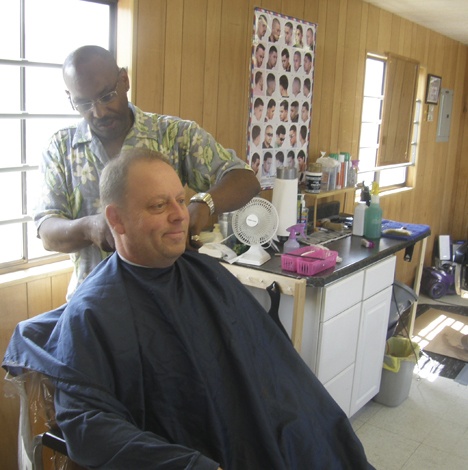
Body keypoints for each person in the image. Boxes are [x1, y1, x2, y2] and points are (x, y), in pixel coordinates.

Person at [4, 149, 373, 469]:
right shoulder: (92, 311)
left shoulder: (207, 274)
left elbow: (269, 364)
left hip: (266, 436)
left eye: (181, 199)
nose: (180, 215)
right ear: (115, 220)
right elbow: (87, 424)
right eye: (159, 206)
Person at [34, 45, 260, 299]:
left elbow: (244, 178)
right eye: (84, 103)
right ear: (70, 98)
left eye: (107, 96)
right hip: (94, 302)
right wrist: (90, 227)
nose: (98, 112)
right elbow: (47, 231)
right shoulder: (61, 148)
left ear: (124, 80)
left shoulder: (175, 135)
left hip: (168, 299)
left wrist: (202, 206)